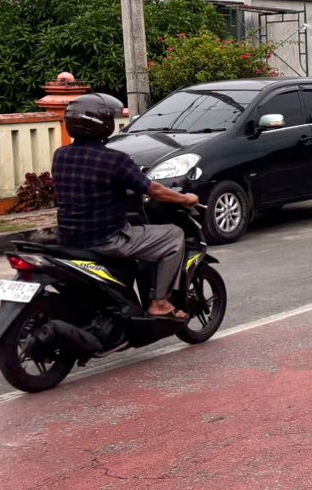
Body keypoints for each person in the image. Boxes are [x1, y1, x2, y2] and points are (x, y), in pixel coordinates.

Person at [50, 93, 200, 337]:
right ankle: (159, 303)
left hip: (69, 238)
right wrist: (185, 198)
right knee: (174, 235)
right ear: (104, 124)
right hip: (108, 239)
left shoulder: (61, 155)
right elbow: (153, 189)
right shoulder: (115, 160)